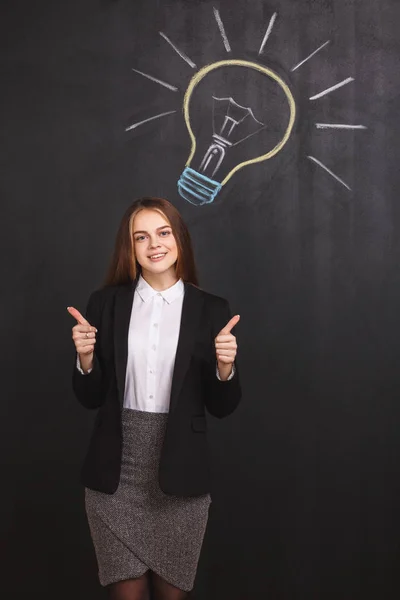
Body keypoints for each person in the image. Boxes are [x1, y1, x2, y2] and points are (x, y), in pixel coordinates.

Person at [67, 197, 242, 600]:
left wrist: (225, 368)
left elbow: (222, 406)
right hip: (116, 474)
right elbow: (89, 398)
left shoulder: (213, 310)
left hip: (181, 472)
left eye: (163, 233)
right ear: (130, 247)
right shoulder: (105, 304)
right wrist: (85, 358)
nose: (154, 245)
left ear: (179, 238)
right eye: (140, 236)